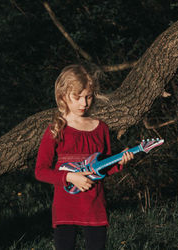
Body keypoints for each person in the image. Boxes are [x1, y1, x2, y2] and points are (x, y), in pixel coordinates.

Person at [35, 64, 134, 250]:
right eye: (77, 97)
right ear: (63, 96)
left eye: (88, 97)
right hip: (65, 207)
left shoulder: (101, 128)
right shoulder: (56, 129)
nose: (84, 103)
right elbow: (40, 171)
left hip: (95, 205)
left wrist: (120, 161)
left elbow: (102, 168)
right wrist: (69, 177)